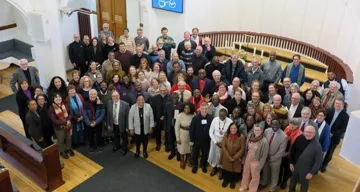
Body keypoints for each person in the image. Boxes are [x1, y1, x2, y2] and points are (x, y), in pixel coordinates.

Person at [289, 125, 323, 192]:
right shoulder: (299, 138)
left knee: (304, 185)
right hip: (295, 166)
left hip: (306, 170)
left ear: (314, 133)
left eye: (310, 132)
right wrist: (291, 163)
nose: (308, 134)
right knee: (292, 181)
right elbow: (292, 151)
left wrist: (311, 173)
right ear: (303, 132)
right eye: (306, 132)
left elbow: (318, 162)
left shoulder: (318, 146)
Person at [259, 119, 288, 192]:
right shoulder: (266, 131)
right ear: (270, 124)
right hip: (266, 157)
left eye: (276, 124)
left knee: (274, 175)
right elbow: (263, 142)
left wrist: (272, 158)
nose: (275, 126)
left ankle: (272, 189)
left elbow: (281, 151)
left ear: (280, 125)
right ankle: (263, 183)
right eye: (273, 124)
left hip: (276, 160)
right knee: (265, 172)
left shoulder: (284, 136)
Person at [321, 98, 349, 172]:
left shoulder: (346, 116)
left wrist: (332, 133)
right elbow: (324, 121)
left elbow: (343, 129)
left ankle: (324, 164)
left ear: (343, 105)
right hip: (325, 133)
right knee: (321, 148)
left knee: (330, 152)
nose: (337, 105)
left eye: (339, 104)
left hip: (335, 137)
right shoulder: (329, 111)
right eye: (336, 103)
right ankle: (318, 162)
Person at [240, 124, 269, 192]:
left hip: (256, 160)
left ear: (261, 131)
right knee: (245, 173)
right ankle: (244, 186)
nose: (257, 131)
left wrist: (260, 165)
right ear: (253, 130)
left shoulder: (264, 141)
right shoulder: (250, 136)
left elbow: (264, 155)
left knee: (255, 176)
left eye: (259, 130)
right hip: (248, 158)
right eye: (255, 130)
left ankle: (252, 189)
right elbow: (246, 148)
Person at [218, 122, 245, 189]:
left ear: (237, 129)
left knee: (234, 171)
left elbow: (242, 149)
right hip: (226, 156)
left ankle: (232, 181)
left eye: (235, 128)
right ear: (229, 129)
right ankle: (225, 180)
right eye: (231, 128)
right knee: (226, 169)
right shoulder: (226, 135)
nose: (233, 130)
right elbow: (223, 146)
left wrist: (234, 157)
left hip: (236, 158)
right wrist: (229, 157)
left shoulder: (241, 137)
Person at [189, 103, 214, 174]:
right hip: (196, 140)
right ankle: (195, 165)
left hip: (206, 140)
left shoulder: (211, 118)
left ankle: (203, 165)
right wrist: (191, 140)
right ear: (200, 109)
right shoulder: (195, 118)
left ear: (208, 109)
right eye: (203, 109)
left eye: (206, 109)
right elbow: (191, 130)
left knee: (205, 153)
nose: (204, 110)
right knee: (195, 153)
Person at [279, 118, 303, 189]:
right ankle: (279, 180)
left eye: (294, 124)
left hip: (291, 154)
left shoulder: (300, 134)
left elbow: (297, 148)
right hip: (283, 151)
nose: (291, 125)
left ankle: (284, 182)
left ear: (298, 125)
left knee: (287, 169)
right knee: (280, 167)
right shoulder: (287, 128)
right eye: (290, 123)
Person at [208, 109, 233, 179]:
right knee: (214, 154)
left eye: (223, 116)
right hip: (214, 140)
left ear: (226, 115)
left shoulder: (230, 121)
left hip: (224, 141)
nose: (222, 117)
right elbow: (210, 132)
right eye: (220, 116)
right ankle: (214, 168)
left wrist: (223, 142)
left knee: (221, 156)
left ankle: (220, 170)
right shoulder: (215, 120)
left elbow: (230, 134)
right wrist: (216, 142)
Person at [48, 93, 74, 159]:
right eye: (56, 98)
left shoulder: (66, 104)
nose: (58, 99)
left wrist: (68, 120)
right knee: (61, 140)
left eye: (59, 97)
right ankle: (62, 151)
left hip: (68, 125)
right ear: (53, 99)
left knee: (69, 138)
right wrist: (65, 122)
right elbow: (54, 120)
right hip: (59, 127)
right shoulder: (51, 108)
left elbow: (71, 113)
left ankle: (68, 148)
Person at [129, 94, 155, 159]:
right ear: (136, 101)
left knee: (145, 141)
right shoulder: (133, 107)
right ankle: (137, 151)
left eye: (142, 100)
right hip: (136, 128)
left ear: (144, 100)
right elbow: (130, 119)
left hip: (145, 128)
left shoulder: (148, 106)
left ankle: (145, 151)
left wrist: (151, 127)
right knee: (137, 141)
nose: (141, 101)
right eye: (139, 100)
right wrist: (131, 129)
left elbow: (151, 117)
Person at [107, 91, 130, 155]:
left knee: (124, 137)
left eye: (116, 96)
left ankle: (124, 148)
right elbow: (108, 114)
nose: (115, 97)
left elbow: (128, 117)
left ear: (119, 96)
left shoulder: (126, 104)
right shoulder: (109, 103)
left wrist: (127, 126)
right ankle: (117, 146)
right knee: (116, 136)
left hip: (122, 124)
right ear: (111, 97)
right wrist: (109, 124)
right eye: (113, 96)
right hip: (113, 124)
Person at [84, 89, 105, 153]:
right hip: (89, 122)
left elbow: (102, 114)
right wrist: (89, 123)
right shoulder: (86, 103)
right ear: (89, 95)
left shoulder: (100, 103)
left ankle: (99, 145)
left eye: (94, 94)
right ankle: (92, 146)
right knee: (90, 135)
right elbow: (85, 115)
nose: (93, 95)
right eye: (91, 94)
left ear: (97, 95)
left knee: (99, 134)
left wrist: (96, 122)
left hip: (98, 122)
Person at [175, 103, 195, 169]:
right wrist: (177, 138)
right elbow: (176, 128)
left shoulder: (193, 115)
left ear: (191, 109)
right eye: (185, 108)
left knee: (189, 150)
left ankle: (188, 160)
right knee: (182, 150)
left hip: (190, 136)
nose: (186, 109)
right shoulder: (179, 116)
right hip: (182, 135)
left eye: (188, 108)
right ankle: (182, 161)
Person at [164, 93, 183, 158]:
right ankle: (172, 153)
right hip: (170, 127)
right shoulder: (167, 105)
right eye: (173, 98)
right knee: (171, 141)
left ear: (178, 98)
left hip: (178, 128)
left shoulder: (182, 105)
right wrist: (165, 127)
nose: (174, 99)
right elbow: (165, 117)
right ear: (171, 98)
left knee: (178, 141)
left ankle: (178, 154)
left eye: (176, 98)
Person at [150, 85, 169, 151]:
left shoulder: (170, 98)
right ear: (159, 90)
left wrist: (164, 116)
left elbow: (170, 110)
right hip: (157, 119)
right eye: (161, 90)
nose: (163, 92)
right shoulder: (154, 98)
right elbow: (153, 110)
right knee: (157, 132)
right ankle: (158, 143)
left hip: (166, 119)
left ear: (166, 90)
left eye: (164, 90)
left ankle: (166, 144)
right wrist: (154, 120)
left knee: (167, 132)